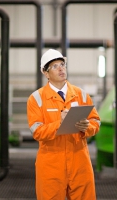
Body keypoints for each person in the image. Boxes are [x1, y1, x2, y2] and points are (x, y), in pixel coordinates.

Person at [27, 49, 101, 200]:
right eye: (55, 66)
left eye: (62, 64)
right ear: (45, 73)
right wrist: (59, 123)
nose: (61, 68)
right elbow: (37, 131)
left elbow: (96, 121)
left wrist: (87, 127)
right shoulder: (36, 99)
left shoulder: (81, 94)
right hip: (51, 165)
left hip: (79, 163)